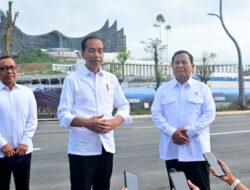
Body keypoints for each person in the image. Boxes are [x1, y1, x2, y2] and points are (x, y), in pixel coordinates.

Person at [57, 36, 132, 190]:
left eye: (100, 51)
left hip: (106, 147)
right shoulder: (72, 80)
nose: (96, 55)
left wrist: (113, 123)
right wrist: (86, 123)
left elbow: (124, 106)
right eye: (91, 50)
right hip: (82, 149)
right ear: (83, 54)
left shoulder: (110, 79)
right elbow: (63, 115)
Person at [151, 50, 216, 190]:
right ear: (172, 66)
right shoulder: (163, 90)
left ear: (192, 66)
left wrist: (189, 132)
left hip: (197, 153)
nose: (180, 65)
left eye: (184, 62)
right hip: (173, 152)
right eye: (176, 62)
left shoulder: (203, 89)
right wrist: (172, 132)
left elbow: (209, 114)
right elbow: (156, 114)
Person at [0, 55, 38, 190]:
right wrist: (3, 144)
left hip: (24, 151)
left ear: (16, 70)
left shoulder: (27, 92)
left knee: (23, 186)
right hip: (1, 153)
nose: (9, 71)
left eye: (11, 67)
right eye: (4, 68)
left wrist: (25, 141)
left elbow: (32, 120)